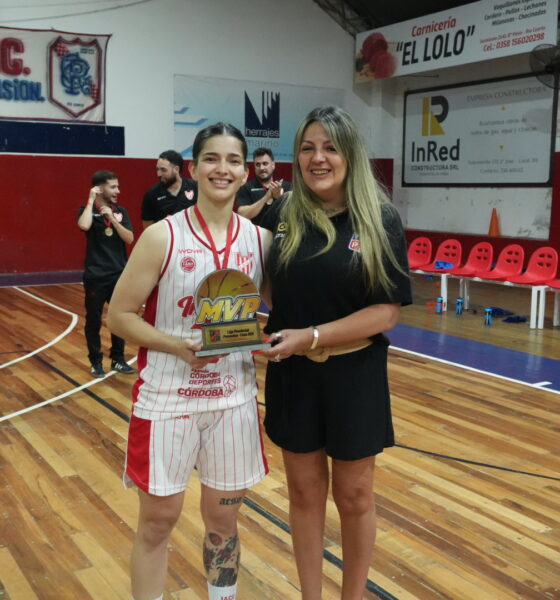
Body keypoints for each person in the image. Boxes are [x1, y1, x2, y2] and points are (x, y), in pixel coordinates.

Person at [107, 122, 272, 600]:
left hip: (233, 400)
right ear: (194, 169)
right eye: (211, 159)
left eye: (233, 160)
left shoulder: (261, 241)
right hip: (167, 399)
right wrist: (176, 346)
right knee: (158, 521)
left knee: (224, 521)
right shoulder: (161, 236)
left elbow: (282, 312)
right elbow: (119, 315)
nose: (223, 169)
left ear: (246, 172)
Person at [261, 106, 412, 600]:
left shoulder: (379, 218)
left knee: (355, 496)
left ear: (350, 154)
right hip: (293, 375)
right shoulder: (283, 214)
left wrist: (312, 335)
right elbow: (265, 287)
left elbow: (386, 312)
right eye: (307, 148)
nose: (318, 158)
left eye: (329, 147)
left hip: (355, 374)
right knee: (304, 494)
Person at [77, 170, 136, 377]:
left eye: (117, 186)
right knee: (94, 320)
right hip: (95, 276)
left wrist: (113, 219)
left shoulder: (121, 212)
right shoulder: (86, 211)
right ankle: (96, 362)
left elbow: (129, 238)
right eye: (113, 187)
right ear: (100, 189)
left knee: (119, 319)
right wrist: (90, 200)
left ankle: (118, 360)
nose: (118, 191)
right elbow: (84, 225)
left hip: (119, 274)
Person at [141, 149, 198, 228]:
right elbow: (148, 227)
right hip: (164, 235)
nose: (158, 174)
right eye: (157, 169)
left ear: (176, 169)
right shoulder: (152, 194)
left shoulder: (195, 187)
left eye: (163, 170)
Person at [236, 147, 291, 226]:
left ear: (273, 165)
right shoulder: (246, 187)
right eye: (258, 164)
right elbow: (242, 214)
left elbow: (294, 215)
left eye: (265, 164)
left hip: (279, 232)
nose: (261, 168)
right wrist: (267, 197)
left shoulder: (287, 186)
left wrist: (280, 199)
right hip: (254, 233)